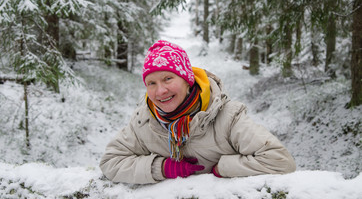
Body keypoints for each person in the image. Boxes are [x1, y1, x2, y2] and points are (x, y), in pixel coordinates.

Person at [100, 40, 296, 184]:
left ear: (187, 80)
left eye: (168, 79)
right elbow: (111, 162)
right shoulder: (145, 121)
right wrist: (162, 168)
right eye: (152, 83)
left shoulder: (228, 116)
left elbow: (279, 160)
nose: (160, 91)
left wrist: (221, 168)